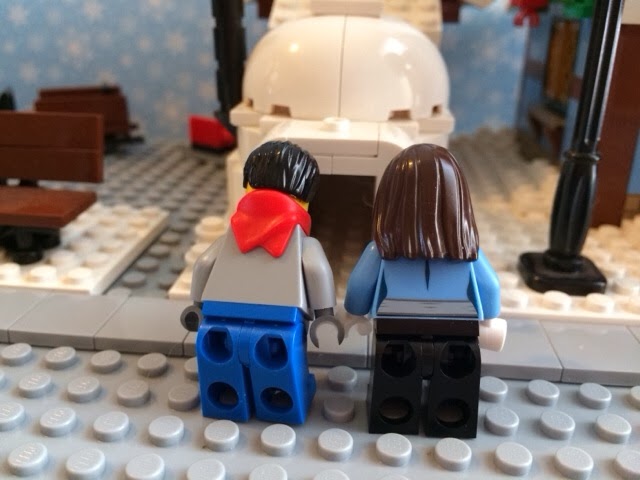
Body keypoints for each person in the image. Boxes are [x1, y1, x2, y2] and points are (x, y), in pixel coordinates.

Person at [344, 143, 505, 437]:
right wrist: (489, 318)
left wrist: (354, 313)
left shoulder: (381, 252)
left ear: (390, 201)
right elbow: (490, 288)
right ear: (458, 202)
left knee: (394, 379)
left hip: (395, 326)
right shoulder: (468, 254)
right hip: (458, 328)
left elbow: (358, 288)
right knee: (457, 381)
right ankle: (451, 419)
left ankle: (393, 416)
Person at [182, 140, 340, 424]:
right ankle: (280, 407)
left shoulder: (229, 236)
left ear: (247, 186)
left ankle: (226, 402)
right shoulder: (303, 243)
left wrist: (197, 305)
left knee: (222, 364)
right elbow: (317, 270)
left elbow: (203, 263)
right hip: (281, 318)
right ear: (304, 198)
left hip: (219, 315)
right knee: (279, 367)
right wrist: (325, 315)